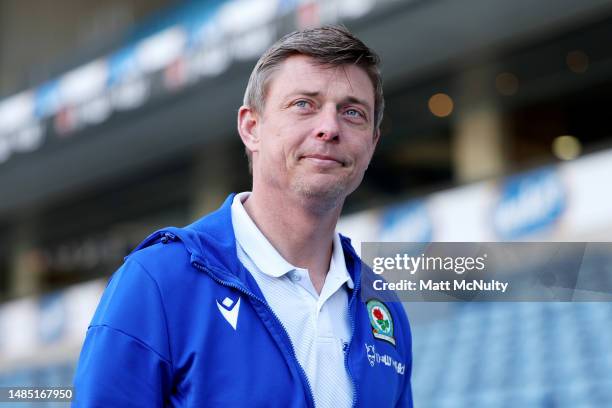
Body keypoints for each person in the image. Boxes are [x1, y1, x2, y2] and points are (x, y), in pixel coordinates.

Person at [73, 25, 413, 407]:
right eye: (304, 104)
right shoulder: (159, 280)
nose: (329, 128)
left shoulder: (382, 307)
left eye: (352, 112)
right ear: (252, 128)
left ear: (372, 143)